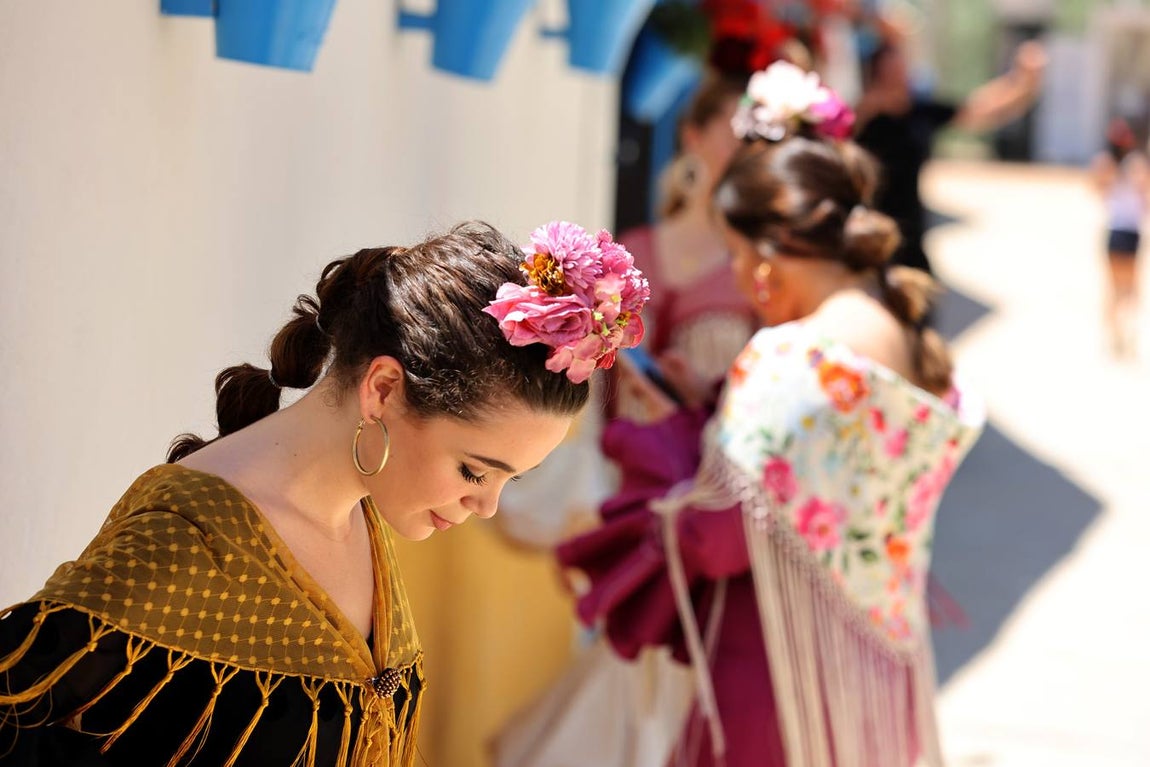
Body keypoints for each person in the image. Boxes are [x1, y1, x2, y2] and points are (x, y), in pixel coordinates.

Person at [0, 220, 649, 766]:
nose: (488, 507)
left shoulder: (362, 517)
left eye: (515, 477)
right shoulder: (190, 536)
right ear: (385, 389)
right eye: (475, 471)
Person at [558, 63, 984, 767]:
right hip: (881, 680)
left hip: (776, 678)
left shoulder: (789, 355)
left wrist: (669, 461)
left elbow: (715, 537)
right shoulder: (905, 338)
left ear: (761, 265)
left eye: (733, 255)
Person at [614, 72, 761, 418]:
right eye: (737, 133)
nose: (747, 149)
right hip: (617, 462)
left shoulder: (759, 263)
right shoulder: (630, 250)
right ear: (693, 136)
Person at [855, 37, 1046, 276]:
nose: (899, 76)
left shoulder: (919, 112)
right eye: (890, 70)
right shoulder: (862, 119)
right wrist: (869, 107)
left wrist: (1023, 81)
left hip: (910, 238)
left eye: (901, 68)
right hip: (869, 240)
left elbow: (979, 109)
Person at [1091, 116, 1148, 358]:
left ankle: (1115, 334)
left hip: (1115, 231)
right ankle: (1123, 333)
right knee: (1130, 289)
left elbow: (1096, 189)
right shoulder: (1134, 164)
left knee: (1115, 289)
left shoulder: (1105, 163)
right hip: (1129, 232)